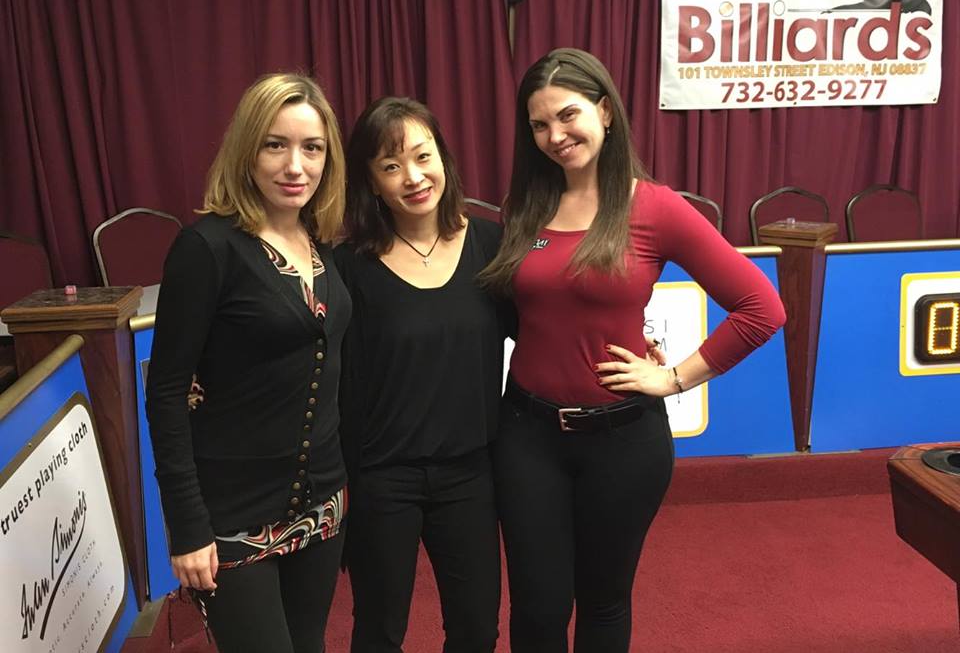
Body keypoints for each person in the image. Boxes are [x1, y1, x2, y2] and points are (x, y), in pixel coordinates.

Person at [479, 48, 787, 653]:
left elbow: (762, 309)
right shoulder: (524, 207)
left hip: (622, 443)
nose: (555, 136)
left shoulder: (655, 207)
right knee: (538, 607)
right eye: (539, 124)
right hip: (527, 436)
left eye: (568, 115)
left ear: (605, 111)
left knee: (604, 602)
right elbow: (528, 316)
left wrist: (674, 378)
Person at [145, 73, 350, 653]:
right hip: (232, 514)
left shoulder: (320, 242)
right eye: (274, 145)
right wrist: (187, 525)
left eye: (312, 148)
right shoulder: (207, 247)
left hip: (322, 505)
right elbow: (166, 393)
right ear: (246, 150)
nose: (295, 166)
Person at [334, 97, 508, 653]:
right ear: (371, 181)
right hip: (383, 477)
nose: (413, 177)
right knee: (380, 631)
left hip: (471, 473)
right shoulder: (348, 265)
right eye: (391, 166)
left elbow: (544, 327)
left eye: (422, 156)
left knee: (477, 630)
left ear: (443, 158)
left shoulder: (490, 244)